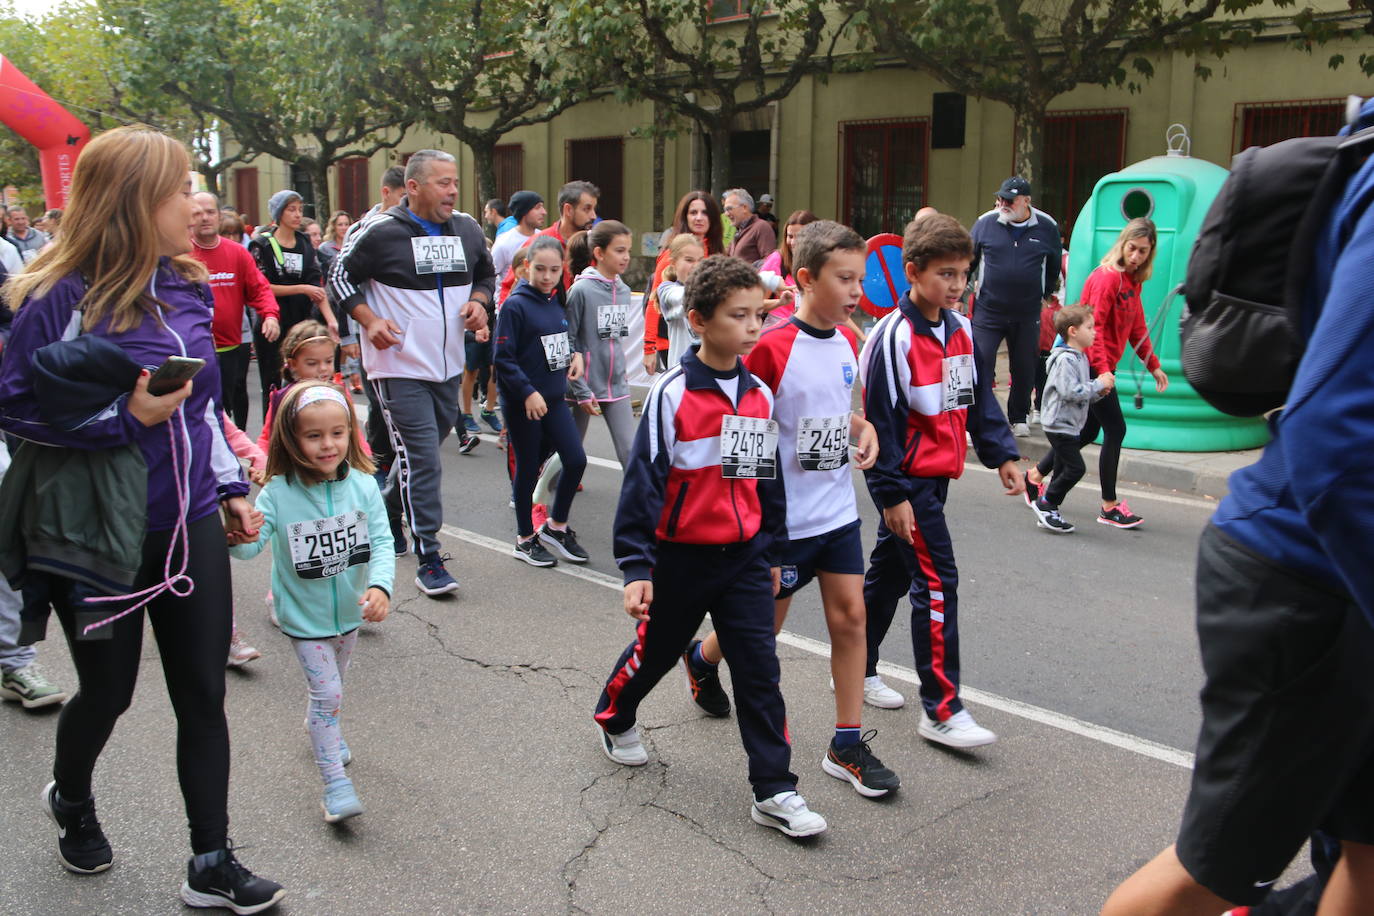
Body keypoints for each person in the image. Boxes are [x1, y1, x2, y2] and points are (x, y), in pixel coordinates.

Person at [1101, 96, 1374, 916]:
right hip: (1307, 573)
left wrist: (1146, 365)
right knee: (1215, 869)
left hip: (1334, 566)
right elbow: (1341, 434)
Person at [0, 125, 284, 911]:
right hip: (98, 534)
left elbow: (203, 407)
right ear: (135, 201)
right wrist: (125, 419)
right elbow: (15, 411)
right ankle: (73, 799)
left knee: (203, 693)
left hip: (190, 522)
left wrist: (228, 484)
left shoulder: (189, 283)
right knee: (110, 693)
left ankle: (211, 860)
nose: (197, 201)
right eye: (182, 187)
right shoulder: (52, 294)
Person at [595, 254, 827, 839]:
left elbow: (766, 479)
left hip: (746, 558)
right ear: (698, 320)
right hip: (680, 559)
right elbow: (643, 483)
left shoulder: (757, 394)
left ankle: (775, 789)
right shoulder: (673, 394)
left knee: (759, 673)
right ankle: (615, 715)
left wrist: (773, 551)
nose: (753, 327)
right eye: (738, 316)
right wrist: (635, 567)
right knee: (655, 651)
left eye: (758, 315)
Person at [684, 222, 900, 799]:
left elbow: (833, 408)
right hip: (782, 524)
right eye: (844, 278)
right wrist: (755, 527)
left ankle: (846, 743)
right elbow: (746, 437)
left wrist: (864, 427)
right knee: (758, 633)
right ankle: (703, 657)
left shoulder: (850, 341)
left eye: (860, 278)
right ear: (806, 279)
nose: (856, 290)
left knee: (851, 619)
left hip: (836, 514)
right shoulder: (772, 346)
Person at [859, 213, 1022, 747]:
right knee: (936, 582)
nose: (957, 285)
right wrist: (892, 495)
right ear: (912, 272)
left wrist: (1002, 454)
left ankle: (858, 667)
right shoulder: (891, 336)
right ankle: (942, 708)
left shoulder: (961, 328)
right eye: (945, 274)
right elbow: (878, 425)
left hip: (938, 477)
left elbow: (976, 399)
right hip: (909, 482)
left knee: (887, 578)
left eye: (963, 274)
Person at [330, 149, 495, 596]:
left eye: (455, 182)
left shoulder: (467, 228)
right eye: (443, 183)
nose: (453, 190)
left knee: (418, 454)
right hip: (396, 367)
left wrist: (480, 303)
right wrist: (368, 321)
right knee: (423, 458)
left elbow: (487, 274)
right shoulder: (380, 232)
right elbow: (339, 278)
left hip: (446, 366)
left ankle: (385, 507)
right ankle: (430, 556)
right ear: (415, 187)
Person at [230, 381, 393, 824]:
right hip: (303, 620)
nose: (328, 444)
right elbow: (249, 550)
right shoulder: (278, 493)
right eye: (314, 435)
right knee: (328, 694)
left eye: (338, 433)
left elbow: (381, 542)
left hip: (350, 615)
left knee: (331, 691)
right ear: (292, 438)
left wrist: (380, 588)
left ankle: (323, 725)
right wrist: (236, 535)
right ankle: (334, 785)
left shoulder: (362, 486)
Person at [1025, 218, 1166, 529]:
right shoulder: (1107, 279)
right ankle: (1108, 505)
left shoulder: (1132, 281)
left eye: (1143, 251)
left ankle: (1035, 476)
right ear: (1122, 244)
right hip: (1089, 365)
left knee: (1087, 431)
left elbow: (1137, 326)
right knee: (1115, 429)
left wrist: (1153, 364)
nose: (1136, 256)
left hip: (1103, 366)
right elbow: (1094, 331)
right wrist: (1102, 373)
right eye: (1132, 248)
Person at [494, 235, 590, 567]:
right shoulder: (515, 305)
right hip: (525, 403)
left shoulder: (554, 300)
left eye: (554, 270)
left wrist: (573, 357)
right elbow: (503, 359)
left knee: (576, 459)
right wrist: (527, 392)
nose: (547, 277)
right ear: (525, 267)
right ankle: (524, 538)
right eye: (540, 269)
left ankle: (556, 527)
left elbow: (557, 344)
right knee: (528, 470)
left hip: (554, 398)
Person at [969, 177, 1062, 437]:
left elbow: (1053, 264)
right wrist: (959, 293)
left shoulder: (1047, 226)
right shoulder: (986, 222)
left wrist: (1046, 294)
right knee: (981, 361)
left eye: (1009, 200)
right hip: (989, 309)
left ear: (1026, 201)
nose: (1003, 204)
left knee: (1024, 365)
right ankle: (978, 416)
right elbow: (969, 259)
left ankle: (1018, 416)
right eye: (1000, 199)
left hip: (1027, 311)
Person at [188, 191, 280, 430]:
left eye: (210, 212)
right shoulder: (182, 253)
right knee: (199, 411)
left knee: (225, 408)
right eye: (198, 213)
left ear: (219, 216)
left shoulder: (237, 252)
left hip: (229, 347)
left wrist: (269, 315)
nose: (205, 218)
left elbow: (259, 289)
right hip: (193, 349)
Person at [1024, 306, 1112, 534]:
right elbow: (1070, 392)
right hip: (1059, 423)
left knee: (1064, 467)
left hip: (1070, 423)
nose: (1095, 332)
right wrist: (1098, 385)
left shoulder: (1080, 358)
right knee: (1075, 469)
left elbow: (1081, 395)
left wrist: (1098, 393)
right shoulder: (1066, 360)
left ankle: (1050, 508)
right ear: (1073, 331)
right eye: (1090, 328)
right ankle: (1046, 504)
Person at [248, 190, 327, 416]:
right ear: (279, 213)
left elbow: (315, 283)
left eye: (300, 210)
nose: (297, 215)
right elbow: (261, 286)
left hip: (300, 322)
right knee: (272, 383)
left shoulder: (303, 241)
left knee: (301, 380)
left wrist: (331, 322)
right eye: (291, 209)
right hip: (272, 323)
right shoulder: (261, 244)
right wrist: (301, 288)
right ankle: (271, 432)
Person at [565, 221, 636, 469]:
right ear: (599, 253)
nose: (626, 257)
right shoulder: (581, 290)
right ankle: (539, 499)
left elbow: (614, 339)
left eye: (628, 250)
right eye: (619, 250)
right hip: (582, 387)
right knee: (568, 457)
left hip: (616, 385)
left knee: (631, 452)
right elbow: (568, 341)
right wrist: (581, 390)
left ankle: (637, 508)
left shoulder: (624, 290)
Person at [643, 191, 724, 375]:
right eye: (693, 212)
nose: (698, 218)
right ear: (684, 217)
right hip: (675, 341)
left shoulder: (718, 252)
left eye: (704, 213)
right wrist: (649, 347)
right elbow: (653, 301)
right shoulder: (672, 254)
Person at [497, 180, 599, 304]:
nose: (593, 215)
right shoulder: (539, 243)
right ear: (568, 210)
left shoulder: (595, 246)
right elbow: (510, 288)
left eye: (594, 209)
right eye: (587, 209)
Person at [655, 233, 705, 368]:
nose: (696, 266)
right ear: (673, 263)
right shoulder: (666, 290)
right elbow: (684, 297)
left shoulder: (709, 289)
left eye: (700, 260)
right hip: (681, 375)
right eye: (689, 260)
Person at [491, 190, 546, 300]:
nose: (544, 212)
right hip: (510, 307)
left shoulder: (544, 238)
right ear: (524, 211)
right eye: (537, 207)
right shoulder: (504, 242)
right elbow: (490, 275)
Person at [724, 188, 777, 266]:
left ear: (744, 208)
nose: (726, 214)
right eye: (725, 210)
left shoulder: (761, 227)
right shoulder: (739, 231)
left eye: (729, 209)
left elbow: (769, 263)